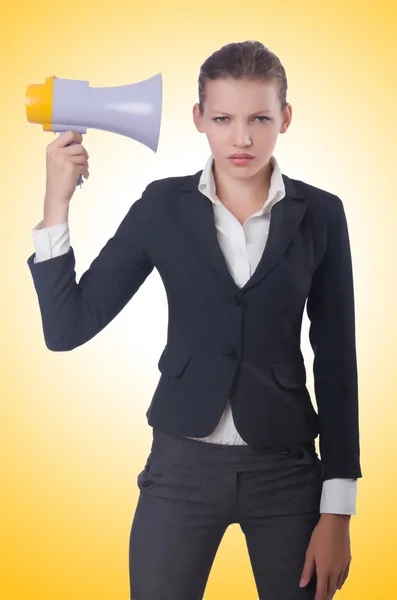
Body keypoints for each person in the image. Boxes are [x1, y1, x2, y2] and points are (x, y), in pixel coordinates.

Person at [27, 40, 362, 600]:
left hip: (286, 470)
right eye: (223, 118)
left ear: (284, 117)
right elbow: (66, 328)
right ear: (199, 120)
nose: (242, 138)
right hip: (180, 467)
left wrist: (340, 510)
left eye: (259, 118)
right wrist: (56, 204)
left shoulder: (321, 214)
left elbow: (337, 362)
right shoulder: (162, 207)